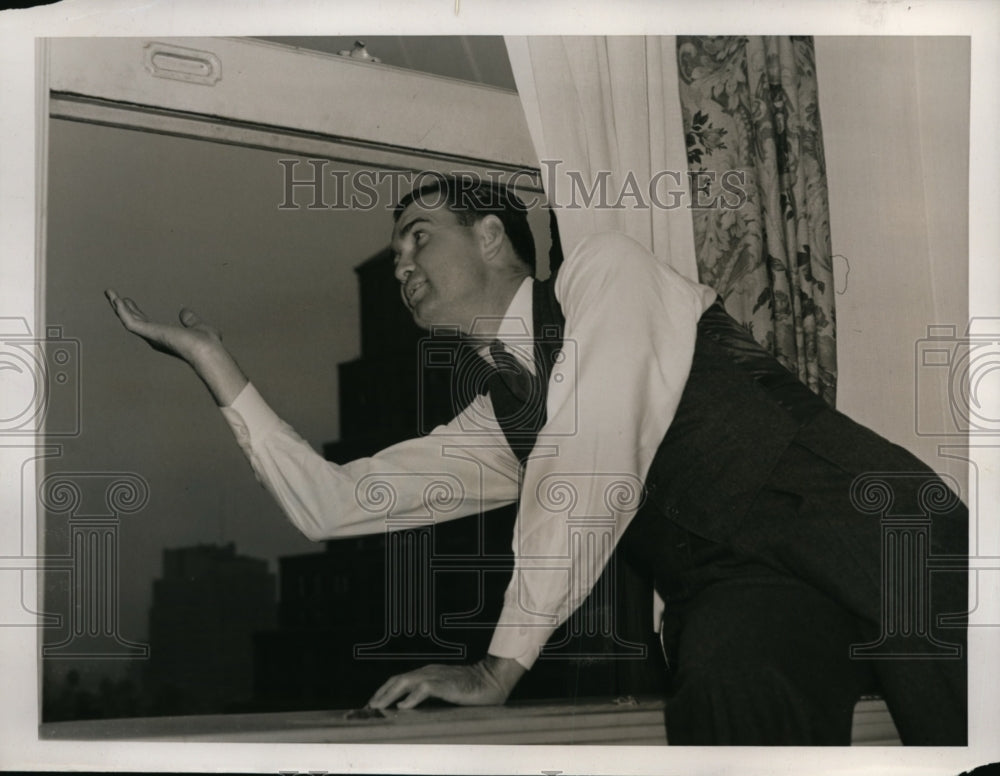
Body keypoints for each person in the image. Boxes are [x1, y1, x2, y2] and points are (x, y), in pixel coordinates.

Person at [106, 176, 967, 745]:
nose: (400, 263)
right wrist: (216, 368)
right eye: (396, 251)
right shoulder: (504, 420)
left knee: (965, 732)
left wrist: (500, 664)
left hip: (866, 523)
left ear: (490, 236)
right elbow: (337, 504)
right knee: (726, 691)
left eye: (416, 236)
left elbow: (593, 450)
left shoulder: (605, 271)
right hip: (739, 587)